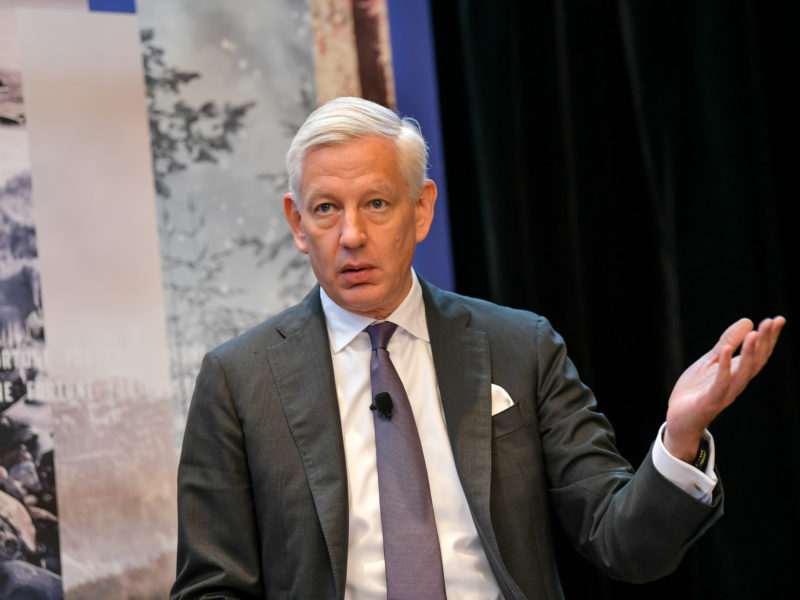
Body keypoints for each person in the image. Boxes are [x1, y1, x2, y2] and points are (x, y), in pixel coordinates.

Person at [170, 97, 785, 599]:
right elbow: (213, 587)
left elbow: (625, 546)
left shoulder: (519, 348)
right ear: (297, 224)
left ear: (421, 209)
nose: (351, 235)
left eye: (377, 204)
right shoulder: (239, 380)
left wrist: (679, 436)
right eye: (326, 209)